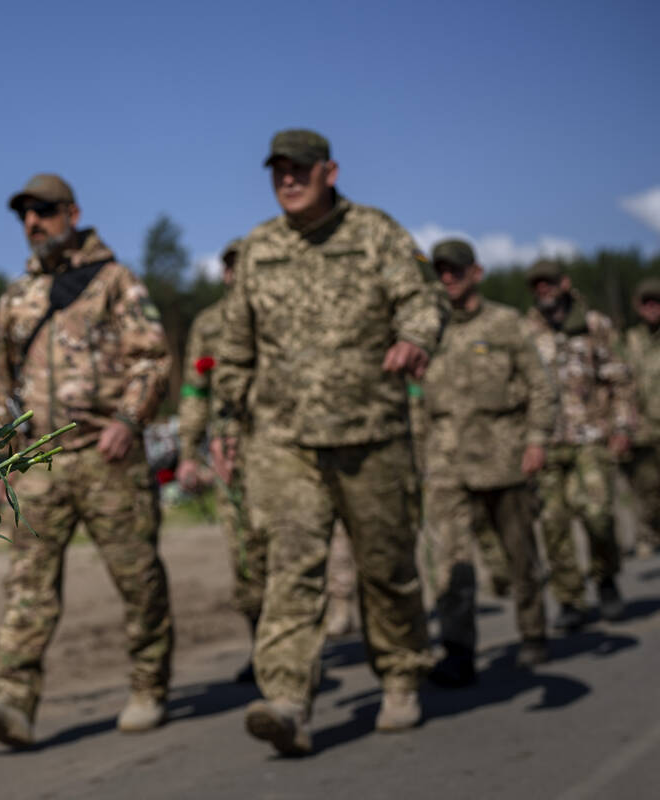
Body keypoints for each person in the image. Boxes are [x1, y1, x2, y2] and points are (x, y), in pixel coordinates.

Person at [215, 129, 441, 755]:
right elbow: (235, 348)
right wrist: (225, 426)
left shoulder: (376, 233)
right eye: (278, 171)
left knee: (387, 566)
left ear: (330, 172)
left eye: (300, 169)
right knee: (292, 566)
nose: (288, 179)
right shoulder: (259, 248)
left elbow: (421, 303)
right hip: (284, 440)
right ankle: (287, 699)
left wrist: (417, 339)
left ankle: (399, 676)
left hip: (372, 434)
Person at [0, 173, 174, 745]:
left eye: (44, 211)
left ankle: (150, 685)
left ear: (72, 213)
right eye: (24, 214)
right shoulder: (15, 299)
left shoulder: (113, 282)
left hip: (107, 458)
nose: (33, 223)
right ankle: (13, 701)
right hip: (40, 465)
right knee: (28, 585)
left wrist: (128, 422)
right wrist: (2, 464)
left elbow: (153, 359)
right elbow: (6, 391)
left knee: (138, 579)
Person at [421, 239, 556, 686]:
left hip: (503, 454)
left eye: (455, 270)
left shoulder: (506, 324)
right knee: (451, 560)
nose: (447, 278)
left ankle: (533, 632)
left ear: (475, 273)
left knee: (520, 556)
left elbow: (539, 386)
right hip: (446, 460)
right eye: (440, 270)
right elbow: (412, 398)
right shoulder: (426, 329)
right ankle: (458, 650)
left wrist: (536, 440)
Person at [175, 238, 266, 682]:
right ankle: (263, 646)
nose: (235, 274)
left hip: (282, 449)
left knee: (287, 552)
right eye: (229, 266)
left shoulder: (281, 317)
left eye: (243, 265)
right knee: (244, 555)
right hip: (231, 456)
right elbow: (195, 392)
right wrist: (189, 453)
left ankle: (294, 648)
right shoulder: (209, 324)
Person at [524, 260, 631, 630]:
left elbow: (619, 379)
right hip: (546, 441)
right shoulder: (525, 331)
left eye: (549, 282)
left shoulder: (594, 324)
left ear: (565, 283)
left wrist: (621, 427)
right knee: (553, 523)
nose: (543, 289)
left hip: (591, 435)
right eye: (536, 284)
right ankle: (570, 598)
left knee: (598, 513)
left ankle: (606, 578)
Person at [622, 278, 660, 558]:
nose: (652, 307)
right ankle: (648, 534)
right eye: (646, 302)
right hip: (644, 429)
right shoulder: (629, 340)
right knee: (646, 488)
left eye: (656, 301)